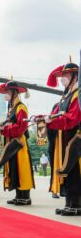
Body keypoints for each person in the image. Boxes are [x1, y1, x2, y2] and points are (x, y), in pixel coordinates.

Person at [43, 63, 80, 216]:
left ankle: (75, 205)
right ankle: (70, 204)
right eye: (62, 76)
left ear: (74, 77)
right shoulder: (65, 96)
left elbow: (73, 118)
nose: (62, 79)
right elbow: (56, 114)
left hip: (75, 138)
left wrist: (53, 121)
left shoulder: (77, 94)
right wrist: (45, 118)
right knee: (69, 172)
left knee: (74, 170)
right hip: (64, 137)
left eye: (66, 76)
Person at [0, 81, 35, 206]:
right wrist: (0, 127)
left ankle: (25, 196)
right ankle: (18, 195)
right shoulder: (12, 108)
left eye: (8, 92)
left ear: (14, 92)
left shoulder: (21, 107)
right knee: (15, 169)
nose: (5, 94)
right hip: (12, 142)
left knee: (22, 169)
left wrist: (5, 129)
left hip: (19, 142)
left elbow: (21, 127)